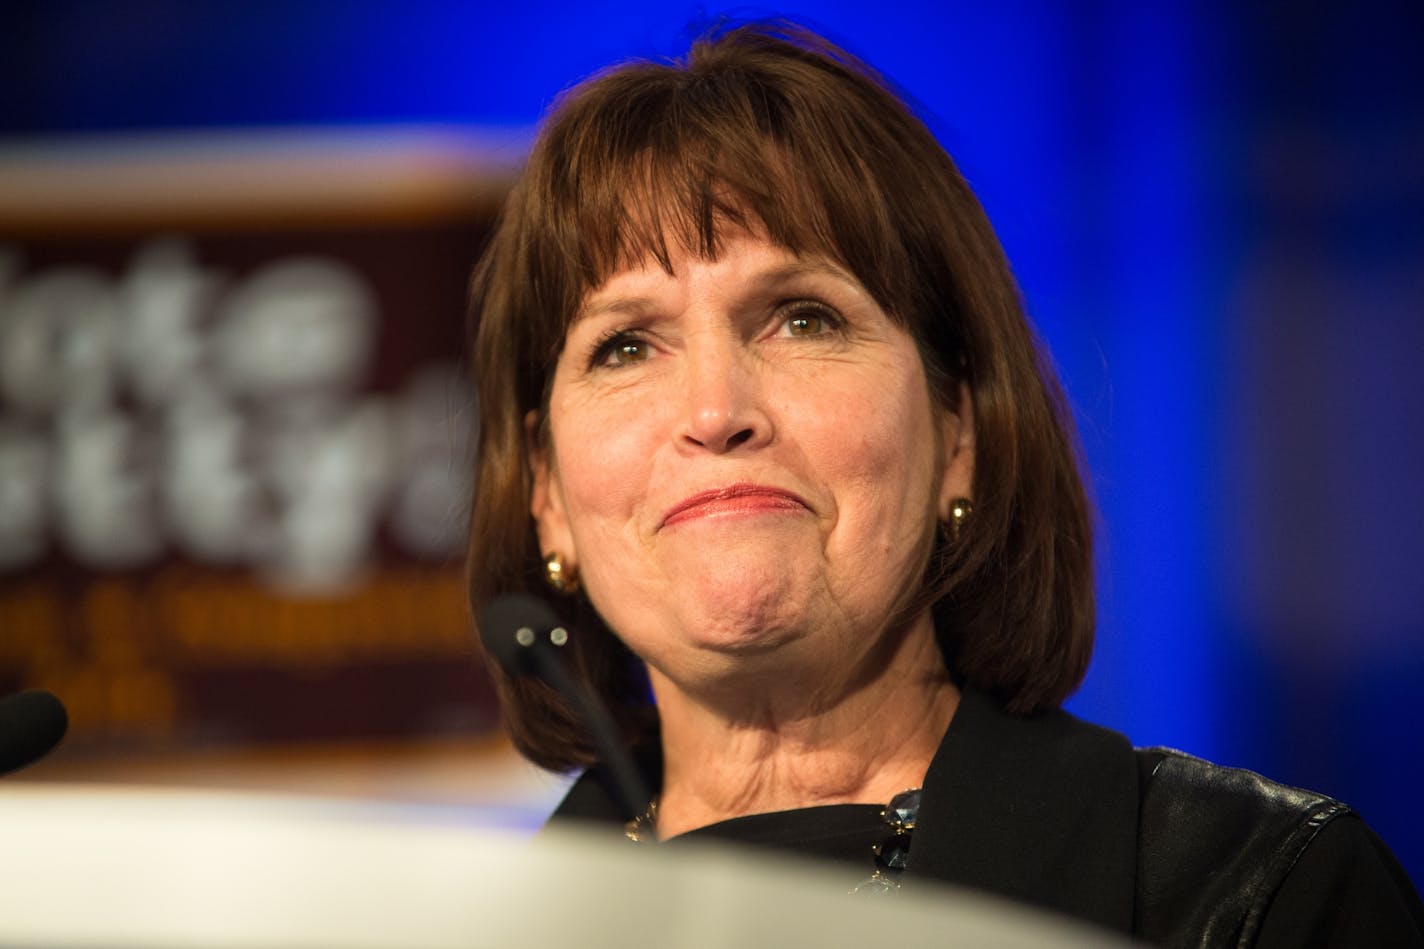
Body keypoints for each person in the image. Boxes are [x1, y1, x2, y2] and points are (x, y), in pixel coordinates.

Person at [465, 20, 1423, 946]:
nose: (716, 409)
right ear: (545, 491)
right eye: (625, 344)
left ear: (958, 430)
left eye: (802, 320)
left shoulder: (1267, 896)